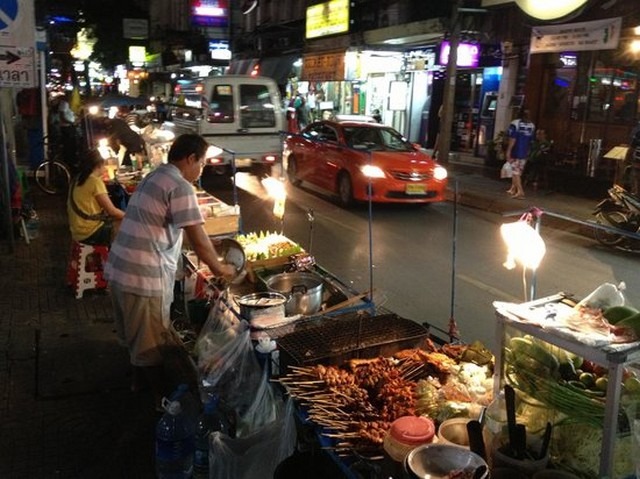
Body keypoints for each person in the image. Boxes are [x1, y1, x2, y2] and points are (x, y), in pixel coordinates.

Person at [104, 133, 237, 409]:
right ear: (190, 159)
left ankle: (137, 383)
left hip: (119, 270)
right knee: (151, 345)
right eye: (201, 163)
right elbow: (198, 242)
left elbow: (183, 230)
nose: (201, 170)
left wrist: (212, 244)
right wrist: (221, 268)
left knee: (135, 335)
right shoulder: (180, 186)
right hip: (141, 277)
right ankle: (161, 401)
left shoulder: (155, 177)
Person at [67, 149, 125, 246]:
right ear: (99, 165)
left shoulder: (78, 178)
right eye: (105, 164)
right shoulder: (94, 182)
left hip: (77, 230)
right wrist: (132, 217)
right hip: (89, 232)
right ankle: (117, 258)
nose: (106, 168)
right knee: (128, 225)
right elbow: (112, 211)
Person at [505, 108, 535, 199]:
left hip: (516, 151)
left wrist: (508, 151)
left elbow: (512, 139)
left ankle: (520, 191)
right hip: (525, 152)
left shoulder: (515, 124)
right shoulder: (532, 125)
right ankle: (513, 189)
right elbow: (531, 140)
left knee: (516, 172)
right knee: (517, 172)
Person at [58, 92, 79, 167]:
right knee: (68, 145)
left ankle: (72, 161)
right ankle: (68, 162)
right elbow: (62, 116)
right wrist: (71, 122)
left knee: (72, 144)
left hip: (70, 126)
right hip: (66, 127)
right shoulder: (64, 104)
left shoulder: (69, 104)